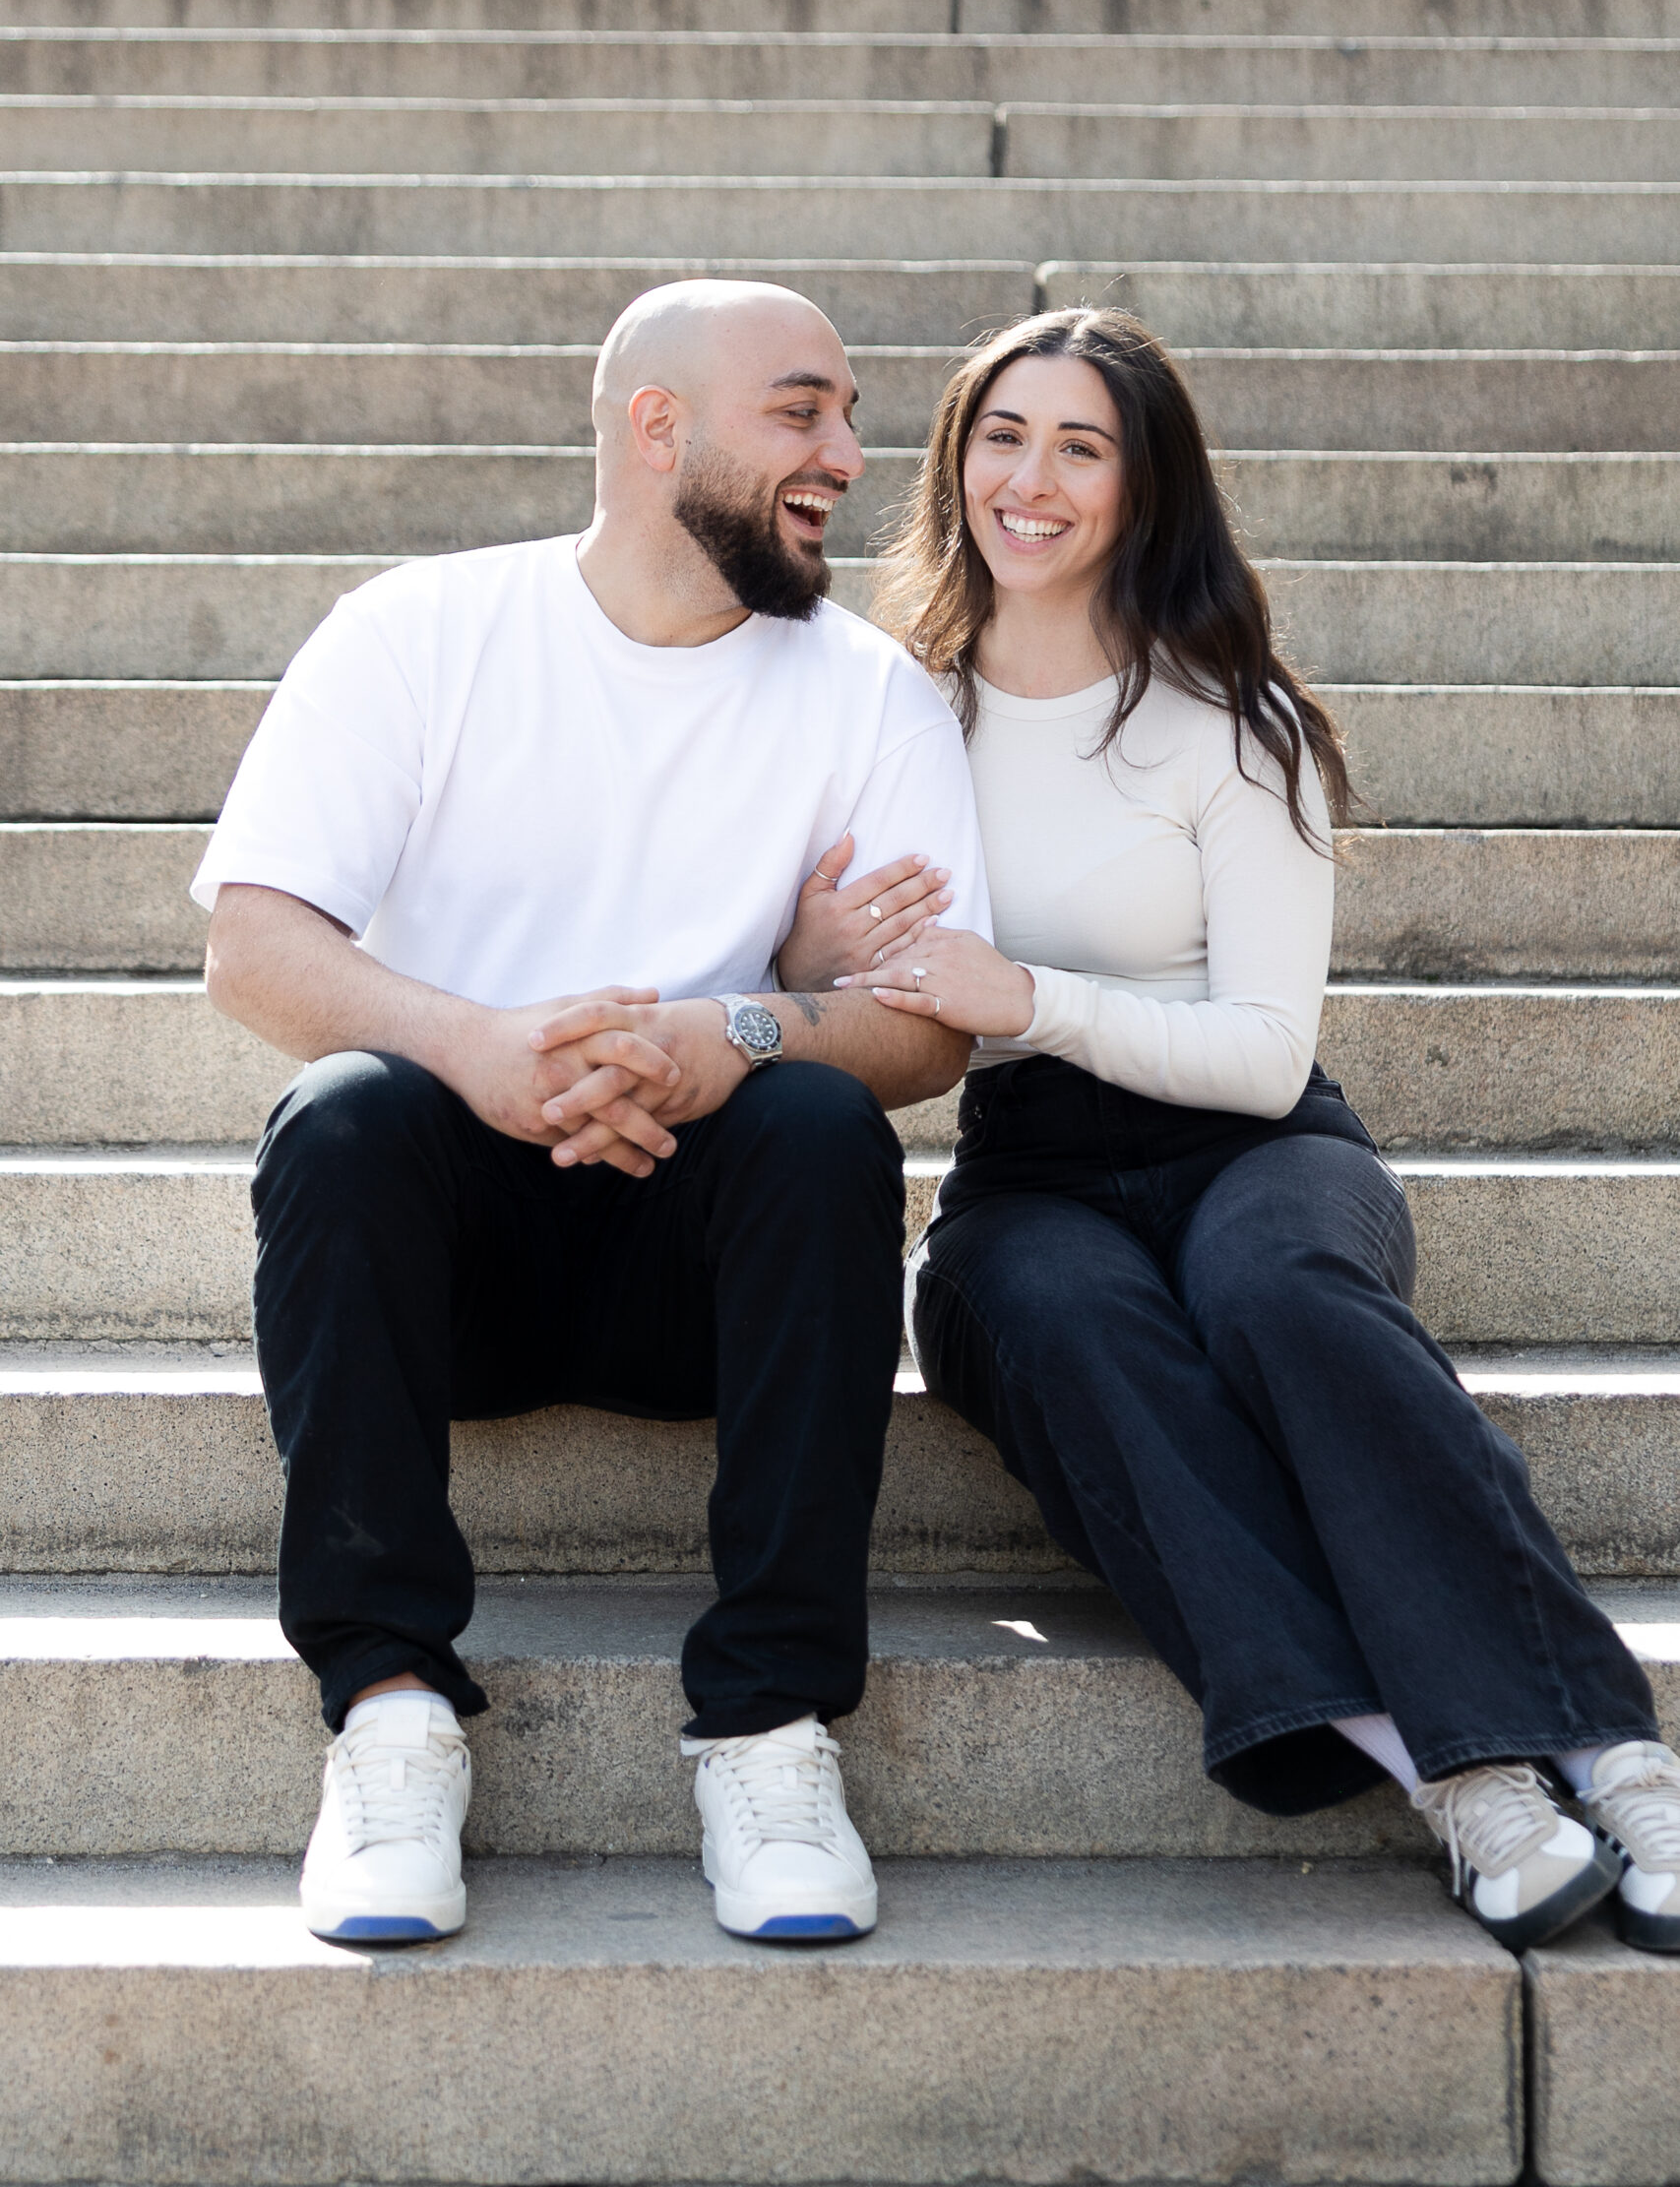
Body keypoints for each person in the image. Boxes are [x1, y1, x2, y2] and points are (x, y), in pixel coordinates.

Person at [779, 305, 1680, 1958]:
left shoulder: (1230, 721)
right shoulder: (885, 710)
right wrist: (809, 958)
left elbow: (1266, 1061)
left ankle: (1619, 1760)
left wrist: (1023, 992)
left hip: (1255, 1149)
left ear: (1145, 486)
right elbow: (809, 960)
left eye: (1079, 446)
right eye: (1000, 435)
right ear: (953, 457)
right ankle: (1457, 1779)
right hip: (1029, 1177)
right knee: (1068, 1319)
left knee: (1279, 1300)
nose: (1028, 481)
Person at [195, 280, 988, 1948]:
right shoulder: (419, 632)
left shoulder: (870, 694)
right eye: (803, 410)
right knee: (340, 1117)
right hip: (448, 1267)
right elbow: (253, 944)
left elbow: (925, 1039)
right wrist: (474, 1048)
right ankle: (390, 1713)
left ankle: (770, 1730)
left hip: (699, 1277)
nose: (849, 453)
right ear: (658, 425)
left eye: (848, 415)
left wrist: (734, 1032)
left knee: (822, 1128)